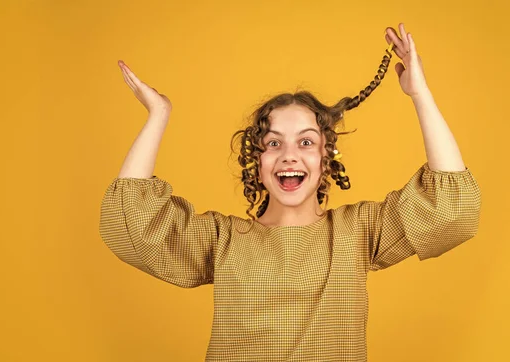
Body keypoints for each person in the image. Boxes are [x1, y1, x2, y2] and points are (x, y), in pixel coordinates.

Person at [99, 23, 481, 361]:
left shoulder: (358, 231)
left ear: (326, 156)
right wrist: (158, 114)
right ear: (257, 160)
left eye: (305, 142)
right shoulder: (225, 239)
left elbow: (451, 210)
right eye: (274, 143)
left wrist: (420, 93)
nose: (289, 156)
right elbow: (130, 223)